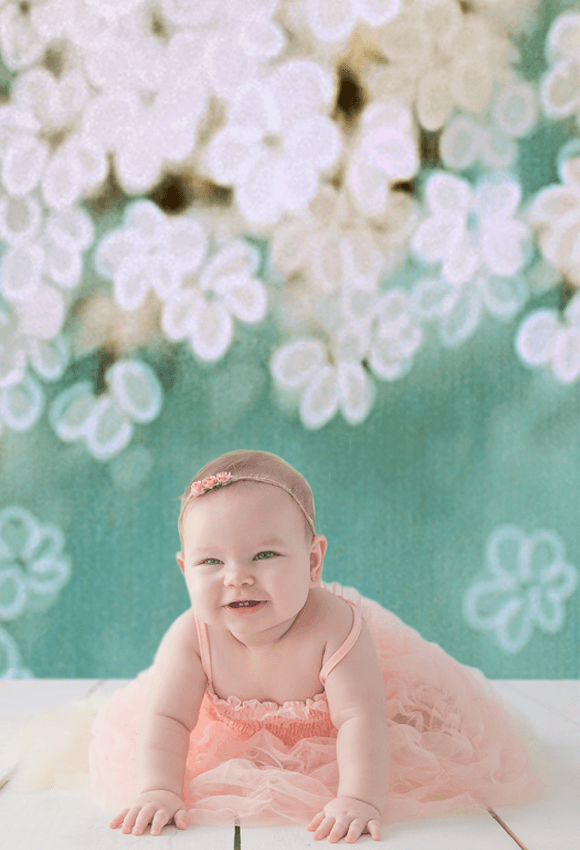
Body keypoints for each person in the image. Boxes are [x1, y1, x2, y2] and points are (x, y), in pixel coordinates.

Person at [89, 449, 543, 842]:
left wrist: (360, 798)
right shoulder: (192, 636)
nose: (237, 576)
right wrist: (160, 789)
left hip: (342, 736)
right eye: (211, 561)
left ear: (312, 561)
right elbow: (168, 718)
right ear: (185, 569)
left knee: (424, 727)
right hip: (233, 741)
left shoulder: (335, 627)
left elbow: (359, 719)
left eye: (264, 555)